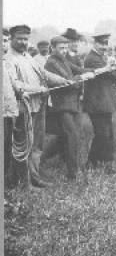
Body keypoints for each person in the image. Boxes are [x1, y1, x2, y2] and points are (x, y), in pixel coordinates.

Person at [6, 25, 70, 187]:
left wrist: (62, 80)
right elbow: (16, 85)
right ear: (12, 39)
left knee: (37, 145)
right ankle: (23, 183)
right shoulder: (8, 60)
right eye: (19, 39)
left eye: (26, 39)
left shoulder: (28, 56)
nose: (23, 42)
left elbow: (44, 73)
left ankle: (34, 177)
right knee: (24, 147)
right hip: (23, 108)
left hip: (38, 106)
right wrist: (38, 89)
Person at [44, 36, 94, 180]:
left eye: (66, 48)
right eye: (61, 48)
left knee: (65, 136)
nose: (65, 51)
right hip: (61, 106)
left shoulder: (63, 60)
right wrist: (83, 78)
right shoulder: (51, 63)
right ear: (52, 48)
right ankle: (73, 173)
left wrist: (100, 70)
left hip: (71, 105)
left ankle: (42, 160)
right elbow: (69, 82)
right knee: (73, 136)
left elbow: (79, 69)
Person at [83, 33, 116, 174]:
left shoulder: (100, 57)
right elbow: (111, 75)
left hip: (103, 102)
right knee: (103, 135)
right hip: (98, 104)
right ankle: (96, 165)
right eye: (101, 44)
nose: (104, 47)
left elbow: (110, 71)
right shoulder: (92, 59)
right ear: (94, 43)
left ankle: (98, 164)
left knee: (106, 134)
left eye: (105, 44)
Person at [3, 28, 24, 188]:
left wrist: (24, 91)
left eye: (4, 41)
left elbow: (15, 83)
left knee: (7, 149)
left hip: (9, 112)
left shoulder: (6, 62)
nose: (2, 44)